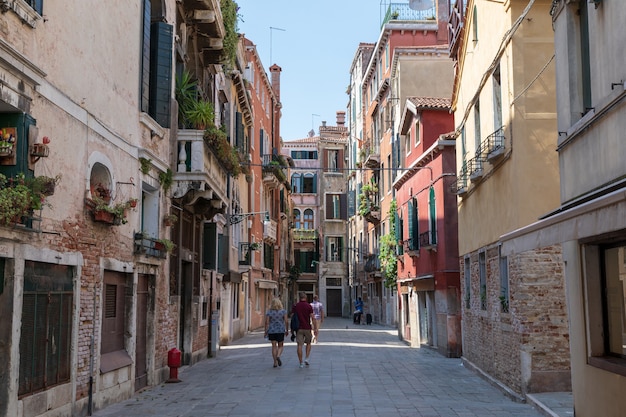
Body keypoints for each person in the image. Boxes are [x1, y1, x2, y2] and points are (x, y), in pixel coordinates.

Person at [264, 298, 289, 368]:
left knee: (274, 346)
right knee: (280, 346)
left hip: (272, 330)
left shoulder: (269, 312)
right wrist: (287, 330)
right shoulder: (283, 312)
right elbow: (286, 321)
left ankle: (275, 362)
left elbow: (266, 322)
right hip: (280, 330)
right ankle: (278, 356)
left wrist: (265, 331)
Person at [292, 292, 314, 368]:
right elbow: (312, 317)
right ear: (306, 297)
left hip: (299, 328)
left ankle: (301, 362)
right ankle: (307, 358)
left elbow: (292, 316)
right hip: (307, 327)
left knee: (299, 345)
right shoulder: (309, 306)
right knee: (308, 343)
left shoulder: (296, 306)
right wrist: (315, 328)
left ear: (299, 297)